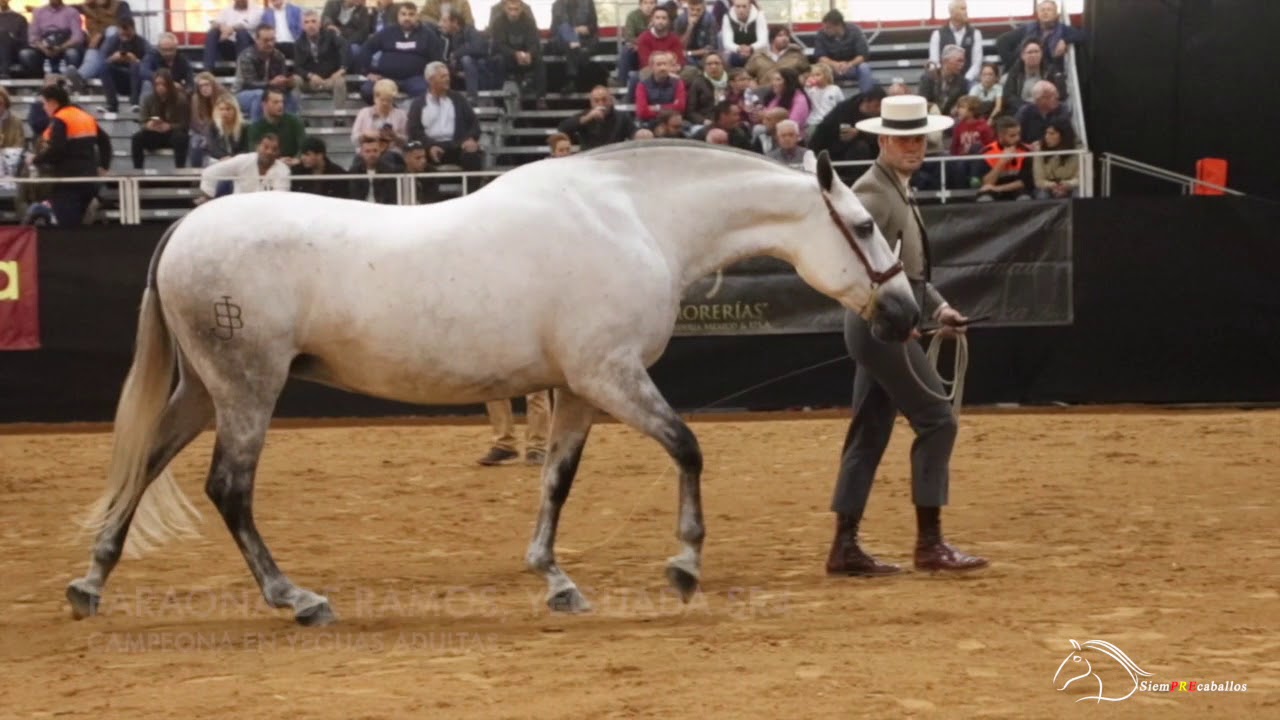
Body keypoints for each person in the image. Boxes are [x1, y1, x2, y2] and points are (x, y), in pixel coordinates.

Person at [826, 94, 989, 577]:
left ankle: (845, 548)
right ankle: (929, 545)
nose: (914, 146)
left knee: (869, 433)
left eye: (919, 137)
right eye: (903, 138)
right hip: (882, 327)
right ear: (883, 140)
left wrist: (937, 306)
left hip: (883, 324)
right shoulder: (875, 193)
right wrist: (896, 317)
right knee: (939, 421)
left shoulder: (894, 186)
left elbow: (906, 271)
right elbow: (853, 268)